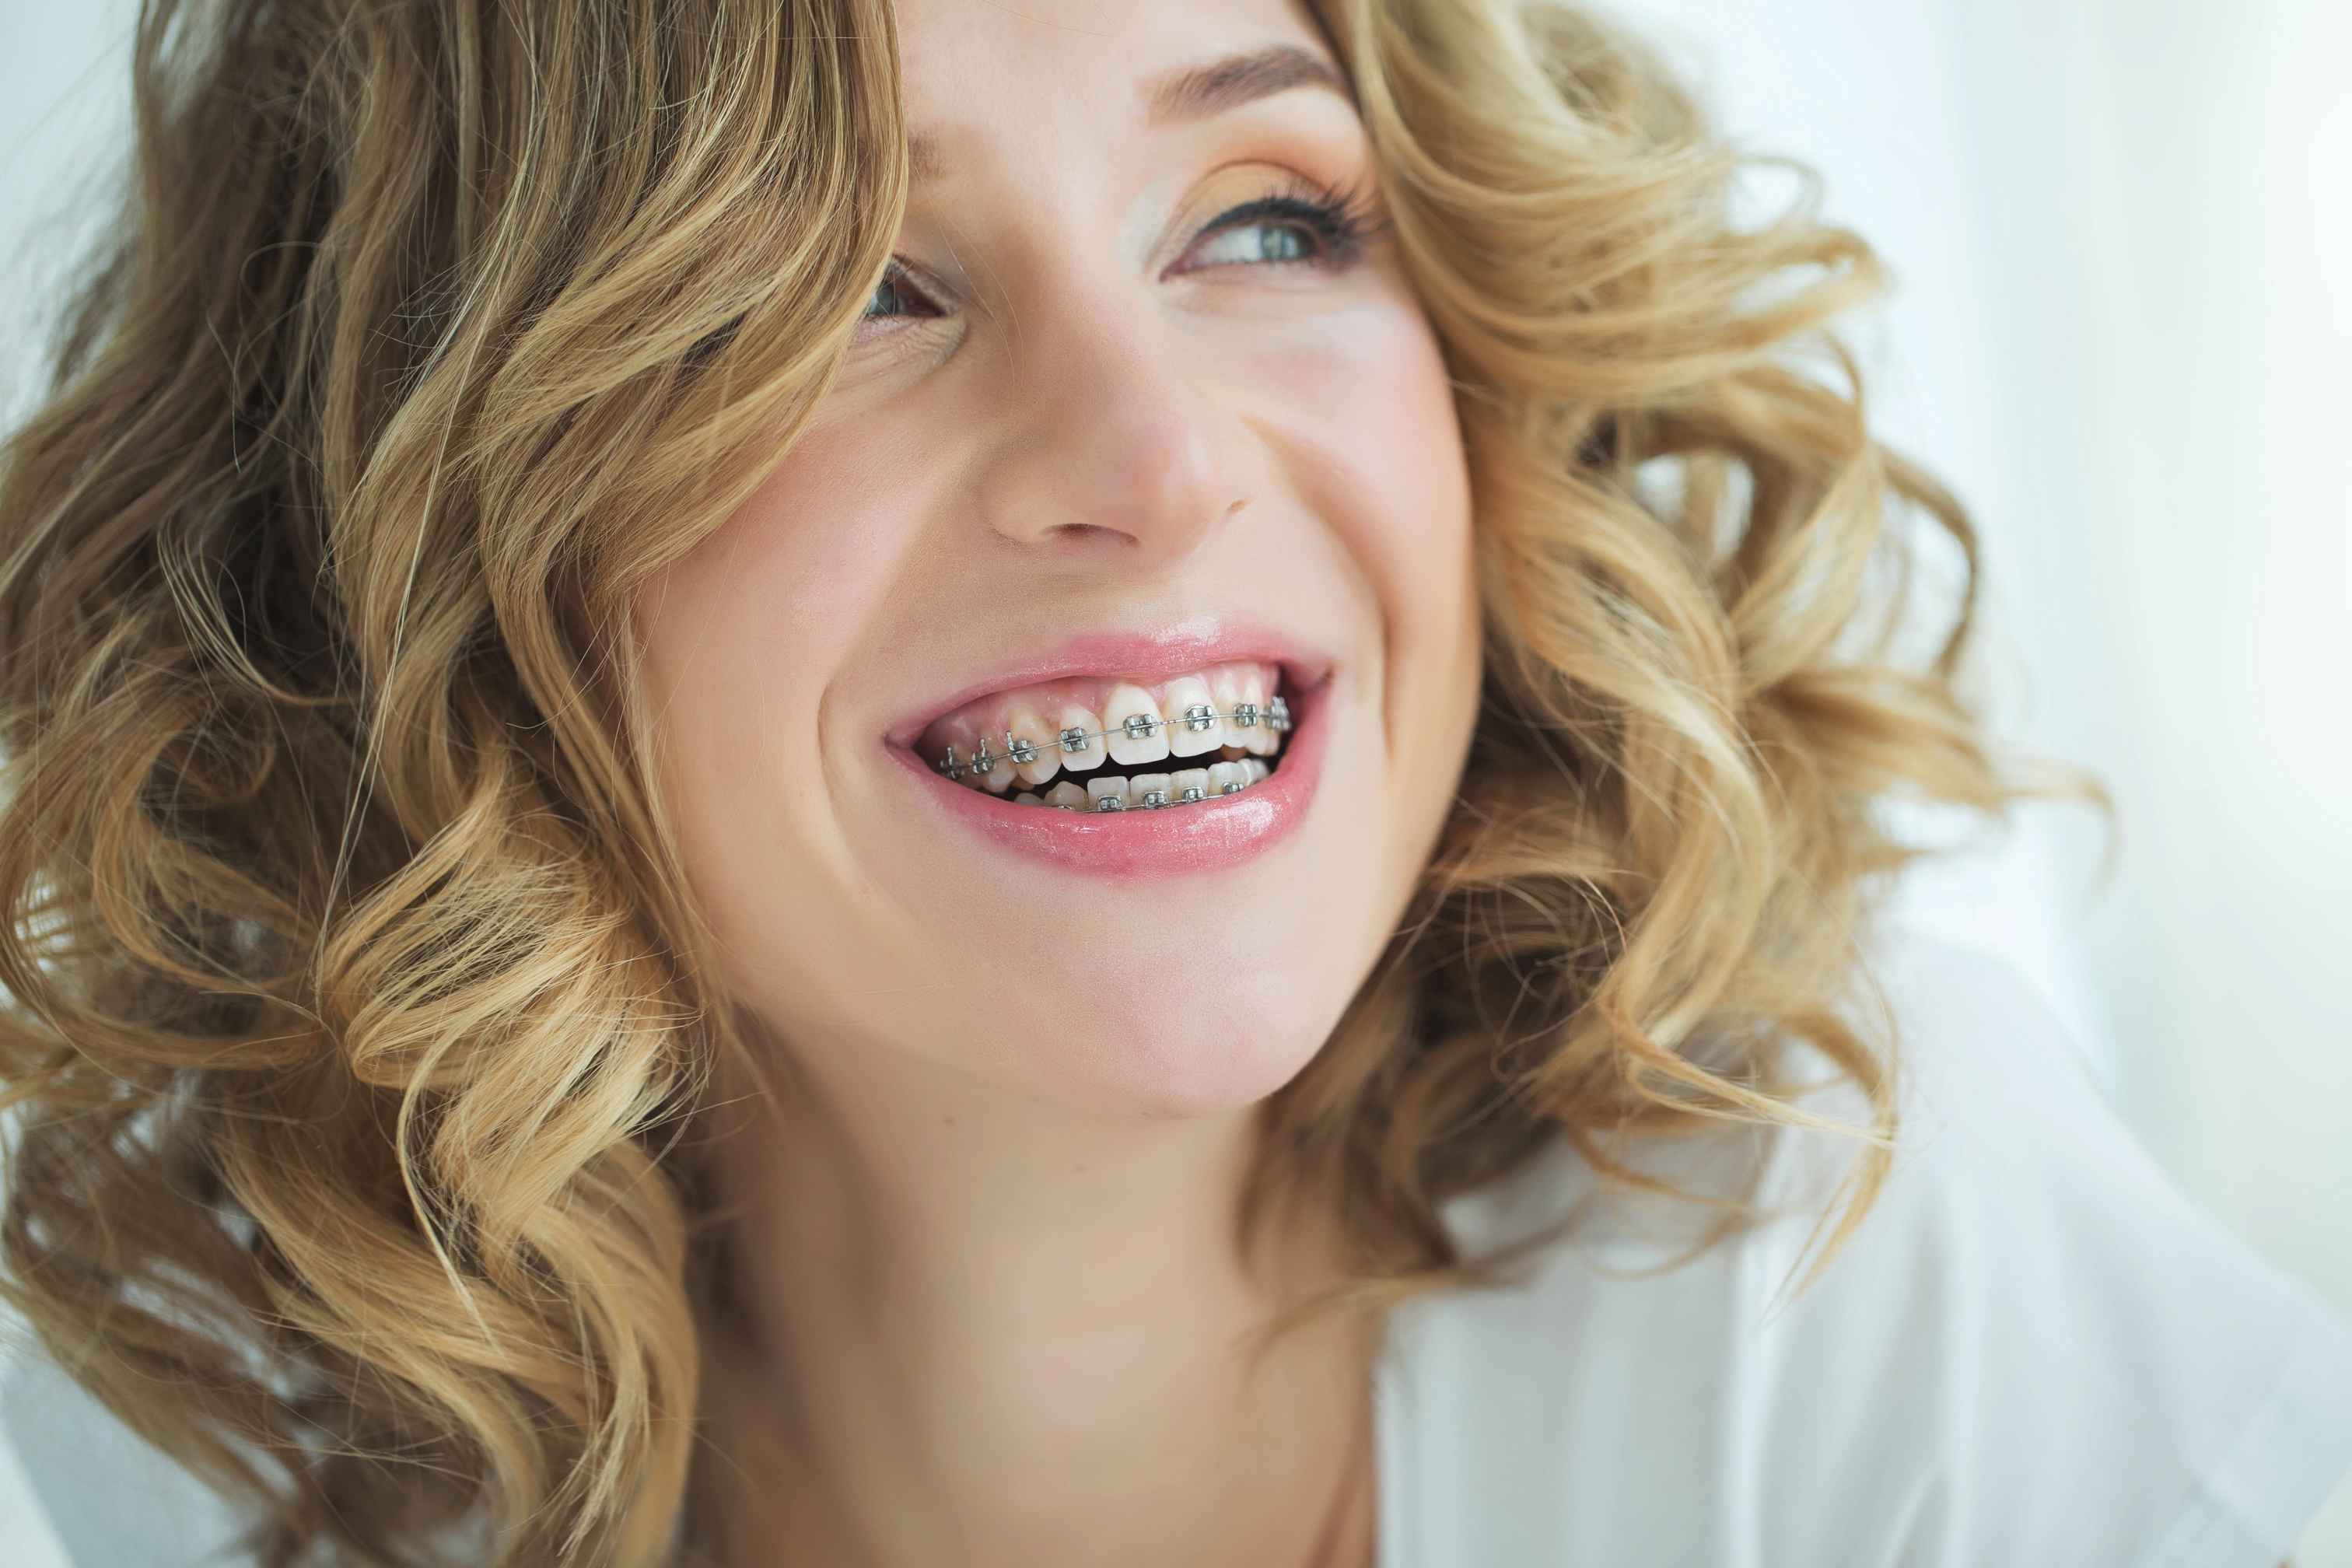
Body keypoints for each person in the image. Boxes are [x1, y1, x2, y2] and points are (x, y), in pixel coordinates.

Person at [1, 0, 2347, 1563]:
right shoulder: (212, 1447)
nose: (1155, 458)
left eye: (1267, 220)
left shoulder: (1855, 1272)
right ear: (400, 531)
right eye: (849, 296)